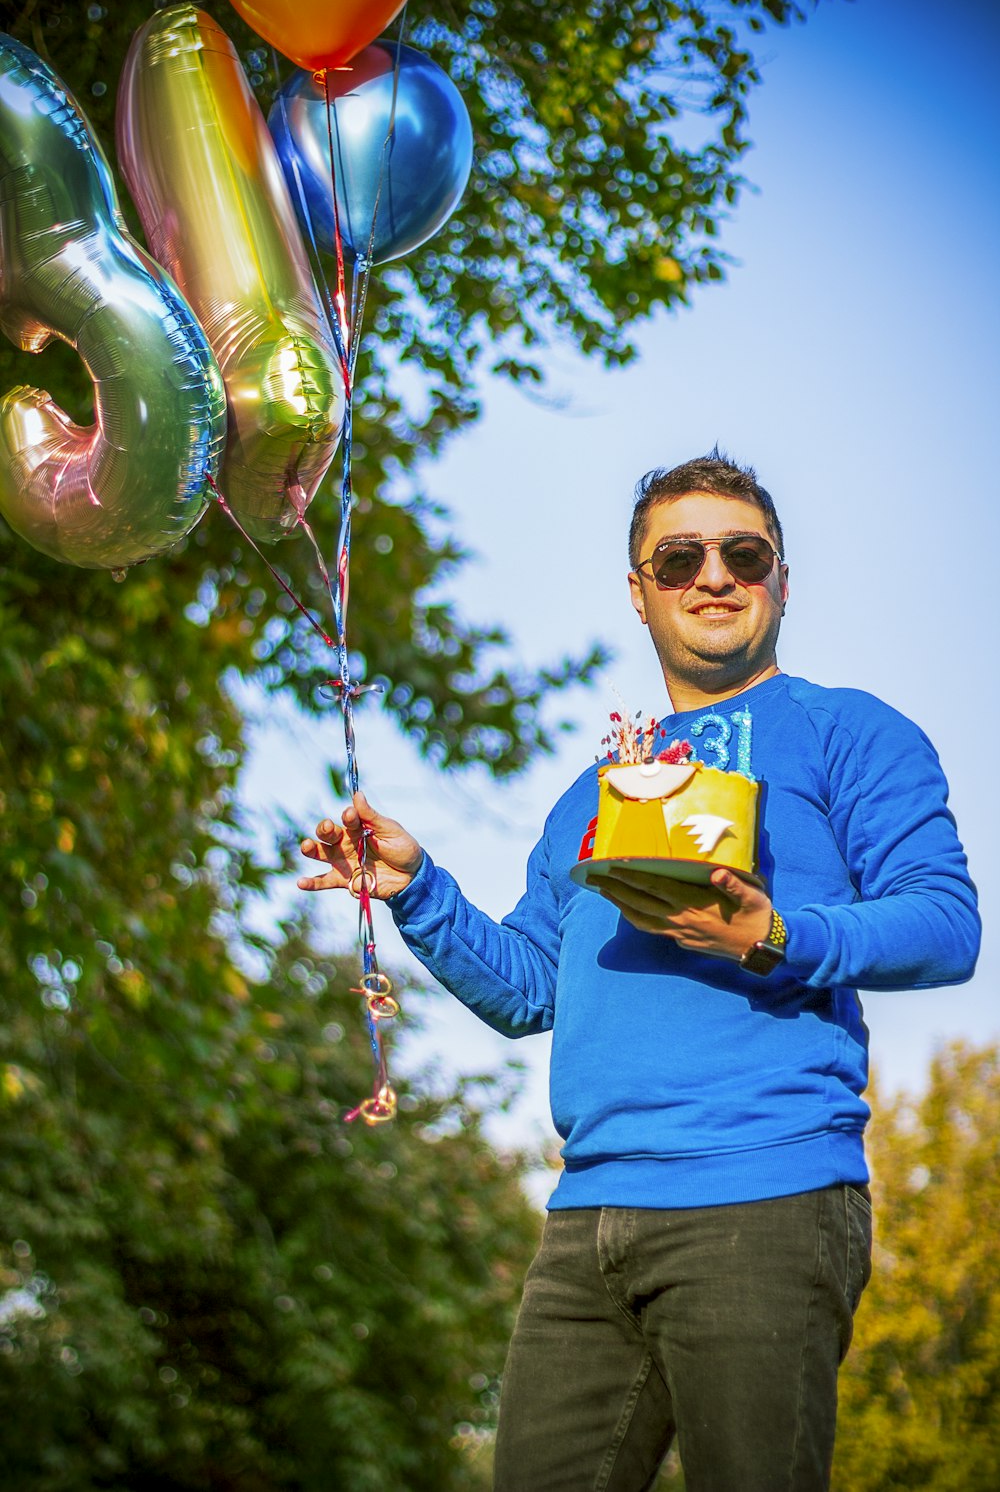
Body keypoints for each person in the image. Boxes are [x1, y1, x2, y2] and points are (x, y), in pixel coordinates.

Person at [297, 452, 980, 1492]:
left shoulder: (852, 733)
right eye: (680, 557)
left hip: (765, 1199)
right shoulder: (591, 794)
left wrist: (773, 932)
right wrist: (414, 887)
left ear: (781, 581)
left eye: (743, 554)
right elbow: (529, 989)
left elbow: (943, 924)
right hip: (587, 1226)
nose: (714, 576)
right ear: (639, 590)